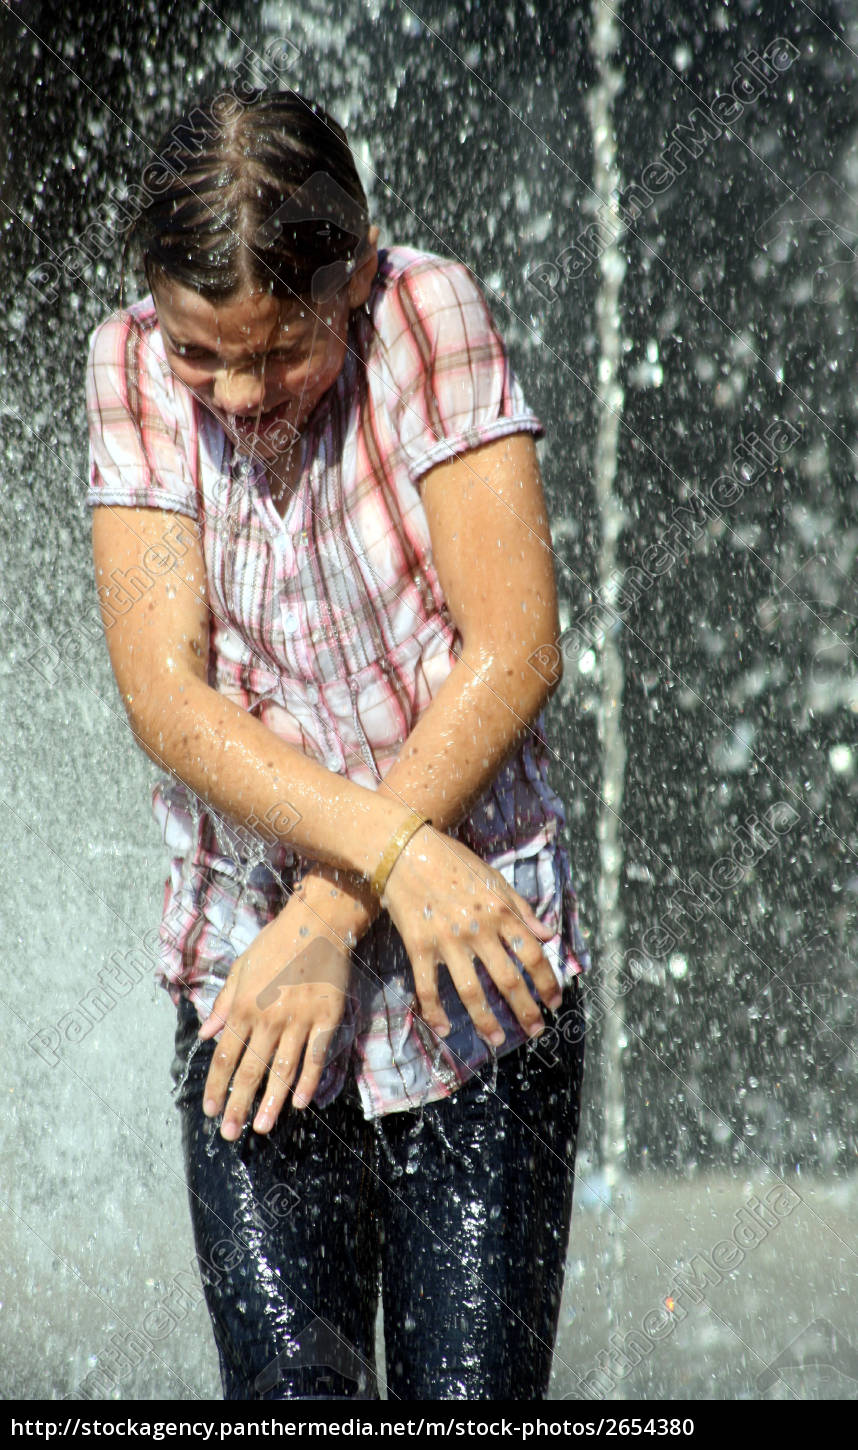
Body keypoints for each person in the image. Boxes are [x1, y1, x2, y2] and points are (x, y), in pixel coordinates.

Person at [85, 87, 590, 1401]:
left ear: (357, 273)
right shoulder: (128, 363)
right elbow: (170, 699)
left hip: (472, 974)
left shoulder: (429, 317)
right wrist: (378, 867)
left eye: (284, 348)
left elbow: (513, 647)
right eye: (208, 354)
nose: (242, 393)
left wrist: (331, 905)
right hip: (246, 993)